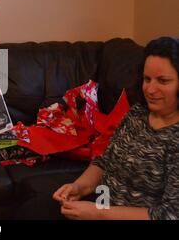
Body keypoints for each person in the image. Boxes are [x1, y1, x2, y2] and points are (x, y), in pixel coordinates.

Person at [52, 36, 179, 220]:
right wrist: (79, 187)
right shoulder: (137, 113)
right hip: (101, 204)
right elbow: (105, 161)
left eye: (163, 81)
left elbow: (169, 215)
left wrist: (98, 213)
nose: (150, 89)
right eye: (147, 79)